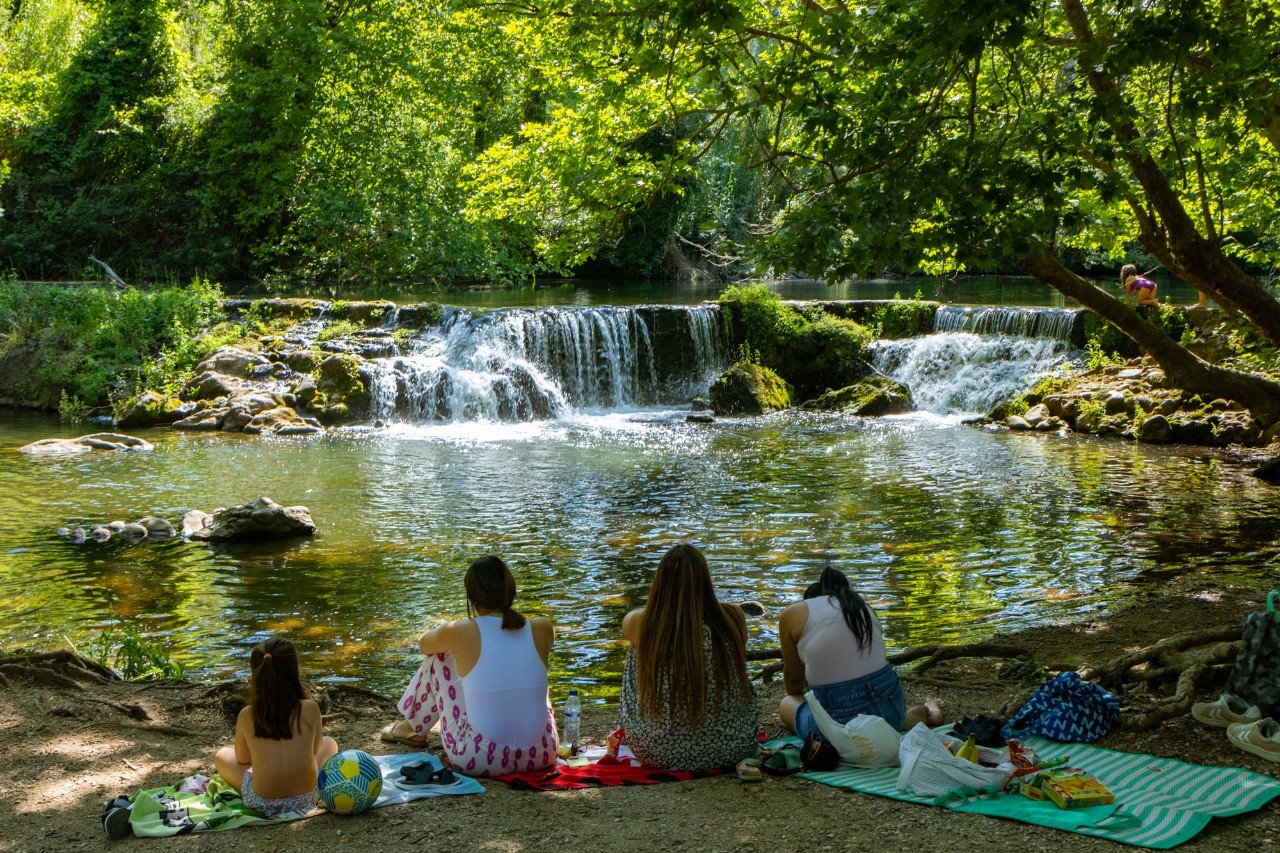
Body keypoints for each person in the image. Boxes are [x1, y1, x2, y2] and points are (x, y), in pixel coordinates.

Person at [381, 555, 557, 776]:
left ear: (472, 597)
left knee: (440, 657)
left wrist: (453, 639)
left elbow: (424, 645)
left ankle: (413, 727)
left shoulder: (459, 631)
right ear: (511, 590)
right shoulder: (543, 627)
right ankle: (413, 727)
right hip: (542, 753)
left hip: (480, 757)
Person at [619, 542, 759, 771]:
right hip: (734, 746)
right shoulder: (733, 617)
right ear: (705, 580)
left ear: (660, 583)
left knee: (637, 651)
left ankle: (657, 726)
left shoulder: (641, 623)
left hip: (659, 752)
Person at [777, 566, 941, 737]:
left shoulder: (792, 614)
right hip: (892, 709)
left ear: (808, 600)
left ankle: (878, 728)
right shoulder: (863, 607)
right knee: (875, 708)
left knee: (787, 703)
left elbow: (794, 682)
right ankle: (907, 718)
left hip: (839, 729)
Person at [214, 637, 338, 817]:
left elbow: (243, 758)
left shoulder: (247, 714)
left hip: (263, 802)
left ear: (255, 673)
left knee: (222, 755)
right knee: (329, 743)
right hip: (308, 797)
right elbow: (315, 749)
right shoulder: (310, 708)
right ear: (294, 670)